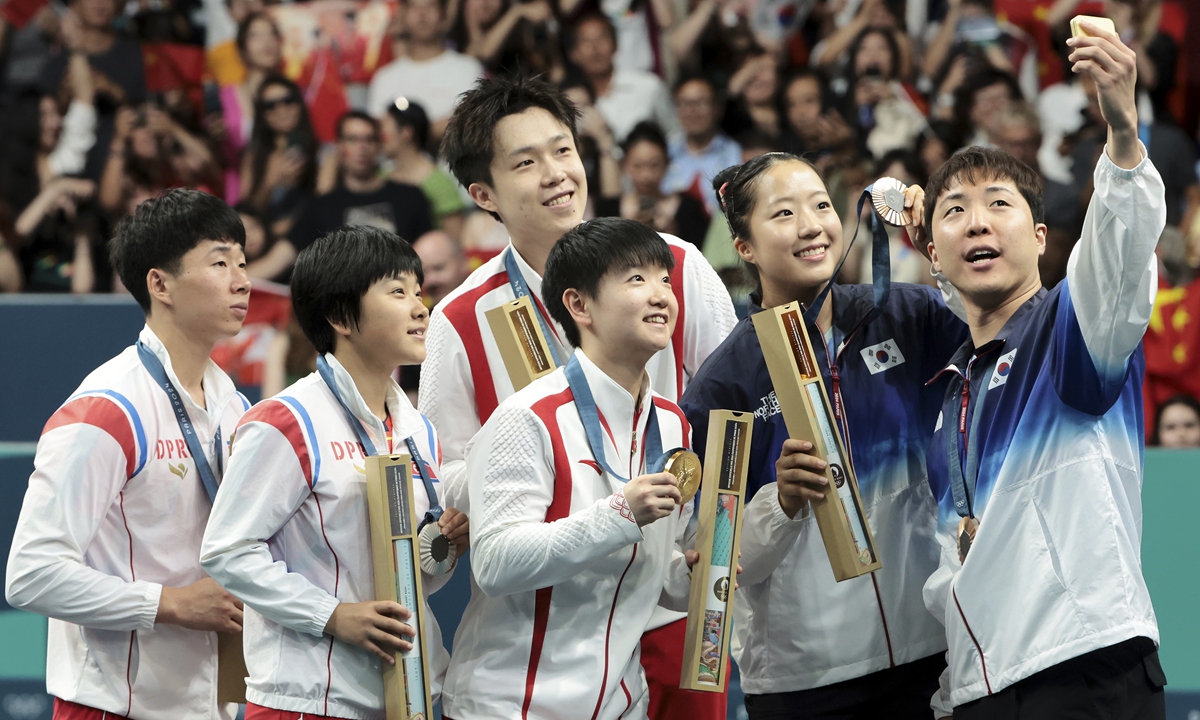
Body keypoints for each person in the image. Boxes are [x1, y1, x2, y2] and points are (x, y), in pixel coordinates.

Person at [424, 75, 736, 720]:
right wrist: (552, 482)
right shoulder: (461, 318)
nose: (556, 174)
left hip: (671, 593)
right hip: (550, 610)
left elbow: (729, 417)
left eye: (563, 150)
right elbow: (442, 473)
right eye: (526, 162)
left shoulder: (672, 268)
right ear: (483, 193)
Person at [920, 23, 1167, 718]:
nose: (976, 223)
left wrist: (1122, 134)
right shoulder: (949, 396)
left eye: (1000, 204)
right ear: (932, 255)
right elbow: (956, 564)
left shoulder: (1073, 329)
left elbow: (1118, 255)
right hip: (982, 688)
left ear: (1038, 237)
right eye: (955, 211)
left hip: (1081, 669)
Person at [679, 152, 966, 720]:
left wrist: (943, 238)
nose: (813, 225)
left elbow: (1003, 330)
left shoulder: (908, 316)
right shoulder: (726, 382)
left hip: (930, 653)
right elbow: (707, 559)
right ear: (744, 245)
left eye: (822, 205)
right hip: (804, 679)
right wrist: (779, 505)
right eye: (783, 214)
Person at [200, 224, 469, 720]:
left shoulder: (416, 428)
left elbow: (405, 575)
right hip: (309, 700)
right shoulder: (287, 421)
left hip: (407, 694)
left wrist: (443, 548)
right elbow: (226, 551)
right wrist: (332, 617)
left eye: (418, 291)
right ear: (341, 316)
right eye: (397, 292)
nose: (420, 308)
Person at [5, 188, 251, 720]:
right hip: (115, 706)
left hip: (210, 702)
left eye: (242, 261)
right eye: (219, 262)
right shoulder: (106, 410)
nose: (242, 279)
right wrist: (171, 604)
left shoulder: (233, 403)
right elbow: (31, 573)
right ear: (160, 283)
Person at [441, 217, 695, 718]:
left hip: (622, 703)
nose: (661, 294)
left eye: (664, 279)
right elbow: (494, 563)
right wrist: (619, 514)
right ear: (579, 305)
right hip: (512, 706)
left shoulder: (672, 423)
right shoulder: (526, 417)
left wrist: (696, 570)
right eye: (636, 279)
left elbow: (659, 579)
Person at [285, 112, 433, 273]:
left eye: (369, 139)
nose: (361, 148)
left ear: (379, 145)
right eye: (352, 140)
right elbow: (284, 254)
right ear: (340, 146)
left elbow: (431, 251)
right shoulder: (321, 207)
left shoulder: (410, 197)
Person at [38, 0, 147, 179]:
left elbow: (145, 112)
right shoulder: (57, 62)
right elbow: (45, 121)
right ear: (75, 5)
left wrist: (113, 91)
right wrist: (67, 96)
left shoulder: (133, 54)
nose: (100, 4)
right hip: (69, 168)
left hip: (121, 166)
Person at [367, 0, 484, 145]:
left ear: (444, 16)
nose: (422, 14)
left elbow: (470, 120)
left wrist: (409, 134)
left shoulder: (467, 68)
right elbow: (377, 128)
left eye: (430, 6)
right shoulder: (385, 77)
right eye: (414, 7)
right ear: (402, 16)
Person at [567, 13, 681, 143]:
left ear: (616, 45)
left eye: (601, 37)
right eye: (586, 41)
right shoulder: (571, 100)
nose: (595, 47)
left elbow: (675, 136)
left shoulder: (648, 86)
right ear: (574, 54)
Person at [595, 121, 709, 248]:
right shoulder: (607, 210)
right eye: (637, 166)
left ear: (667, 163)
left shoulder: (689, 209)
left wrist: (673, 234)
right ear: (624, 165)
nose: (646, 175)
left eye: (654, 165)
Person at [215, 12, 283, 203]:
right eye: (256, 35)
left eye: (272, 34)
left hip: (285, 196)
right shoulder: (225, 97)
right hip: (241, 197)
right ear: (242, 49)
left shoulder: (294, 95)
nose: (267, 41)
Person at [239, 75, 319, 236]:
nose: (281, 109)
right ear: (262, 113)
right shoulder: (254, 156)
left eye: (288, 100)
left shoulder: (323, 152)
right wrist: (270, 182)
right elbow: (245, 213)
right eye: (270, 105)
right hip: (267, 241)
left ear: (299, 103)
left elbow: (324, 203)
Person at [383, 99, 468, 241]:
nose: (377, 139)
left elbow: (456, 240)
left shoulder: (439, 183)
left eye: (382, 133)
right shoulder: (379, 177)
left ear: (406, 132)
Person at [662, 74, 741, 217]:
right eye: (686, 103)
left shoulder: (736, 154)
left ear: (718, 107)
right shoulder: (665, 153)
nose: (693, 110)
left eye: (702, 102)